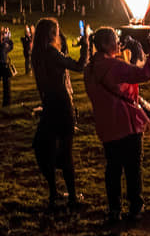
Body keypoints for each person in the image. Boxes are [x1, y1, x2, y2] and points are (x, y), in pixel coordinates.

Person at [84, 27, 150, 223]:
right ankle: (135, 207)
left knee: (113, 170)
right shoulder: (114, 66)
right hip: (127, 125)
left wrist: (131, 60)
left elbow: (119, 83)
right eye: (114, 40)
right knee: (133, 169)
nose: (118, 43)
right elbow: (144, 74)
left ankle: (114, 209)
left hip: (106, 126)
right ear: (104, 44)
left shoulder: (90, 69)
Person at [30, 18, 88, 211]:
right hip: (62, 106)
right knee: (65, 150)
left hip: (49, 105)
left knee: (44, 147)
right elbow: (79, 66)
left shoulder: (36, 55)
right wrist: (86, 45)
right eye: (57, 32)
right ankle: (72, 197)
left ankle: (54, 192)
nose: (58, 35)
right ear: (50, 35)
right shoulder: (51, 53)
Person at [0, 28, 13, 107]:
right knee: (6, 86)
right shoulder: (3, 46)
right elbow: (10, 47)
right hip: (3, 66)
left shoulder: (3, 45)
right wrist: (8, 39)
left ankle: (6, 102)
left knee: (6, 86)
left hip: (3, 65)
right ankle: (6, 102)